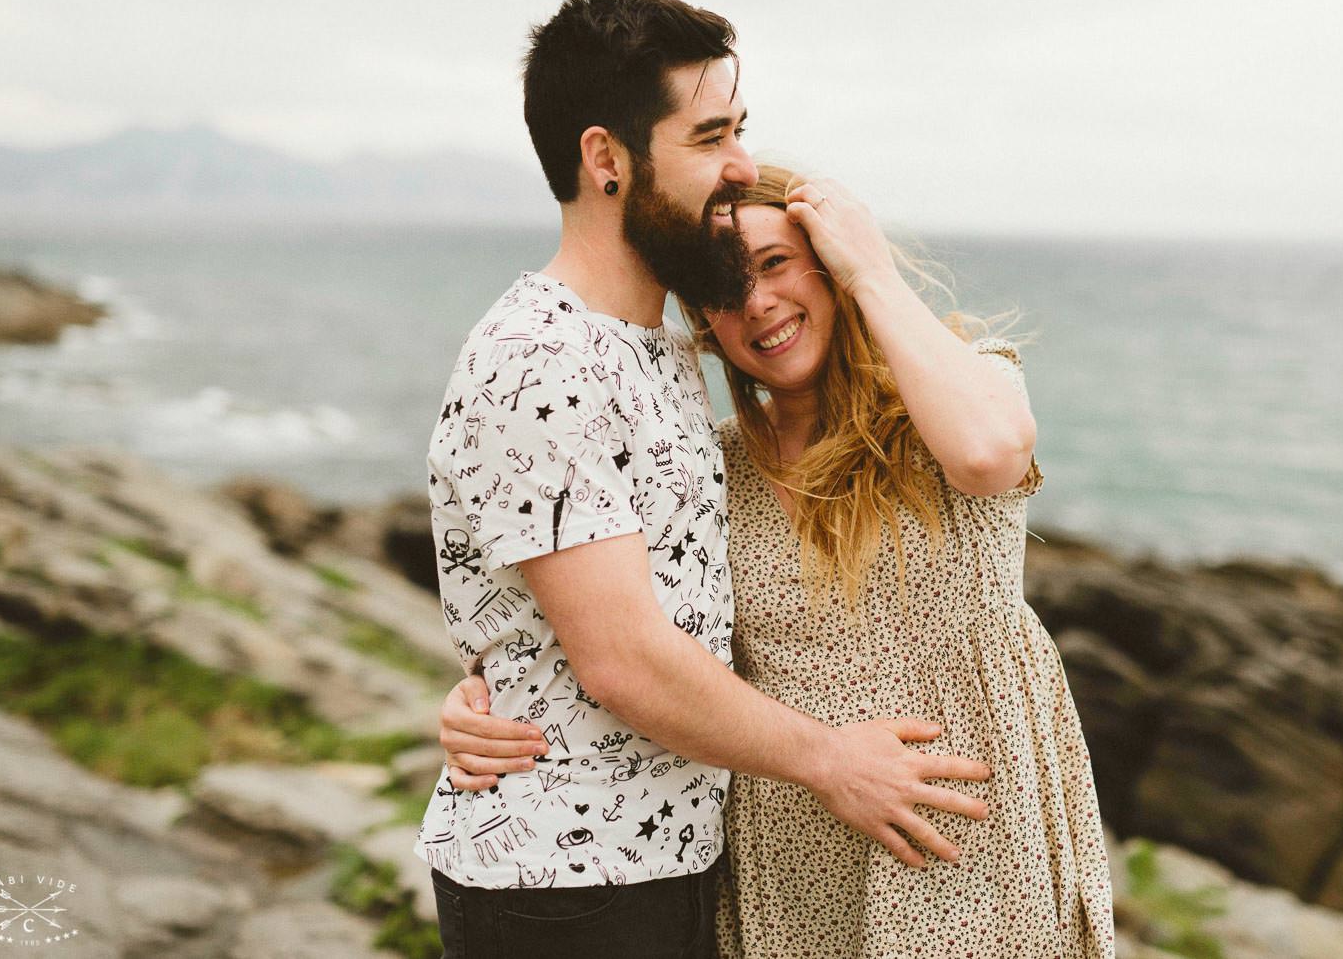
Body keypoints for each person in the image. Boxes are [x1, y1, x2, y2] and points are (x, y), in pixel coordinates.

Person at [417, 0, 991, 959]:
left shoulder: (653, 347)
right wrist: (827, 761)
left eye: (740, 129)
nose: (741, 164)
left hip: (662, 861)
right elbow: (623, 658)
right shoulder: (540, 358)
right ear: (606, 158)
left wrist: (499, 675)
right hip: (566, 886)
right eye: (708, 136)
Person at [440, 164, 1117, 958]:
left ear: (828, 265)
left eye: (775, 264)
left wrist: (872, 269)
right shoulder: (709, 465)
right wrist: (489, 704)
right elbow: (623, 635)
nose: (756, 303)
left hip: (969, 848)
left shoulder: (961, 394)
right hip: (789, 866)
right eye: (724, 289)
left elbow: (989, 452)